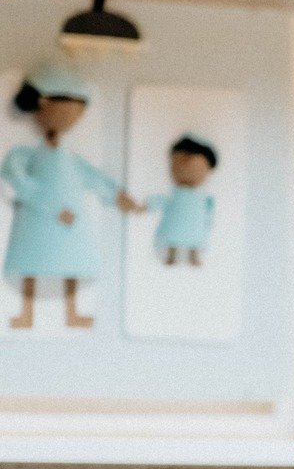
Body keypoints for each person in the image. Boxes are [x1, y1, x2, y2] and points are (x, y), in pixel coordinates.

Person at [4, 63, 143, 330]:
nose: (74, 115)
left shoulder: (70, 158)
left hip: (69, 220)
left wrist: (117, 195)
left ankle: (71, 313)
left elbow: (92, 177)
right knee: (32, 262)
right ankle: (27, 313)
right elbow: (19, 182)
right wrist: (52, 207)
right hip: (38, 218)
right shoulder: (25, 155)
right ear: (42, 103)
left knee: (70, 263)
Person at [144, 135, 219, 267]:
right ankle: (172, 255)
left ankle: (192, 256)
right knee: (173, 238)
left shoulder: (203, 199)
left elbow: (209, 214)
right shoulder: (175, 196)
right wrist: (143, 206)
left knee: (193, 242)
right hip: (177, 228)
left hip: (195, 230)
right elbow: (160, 201)